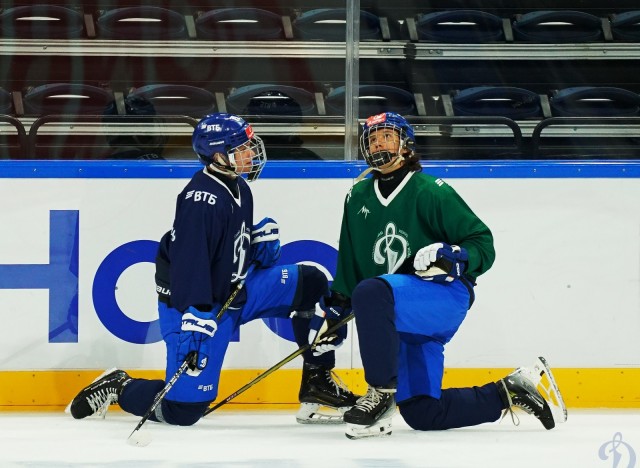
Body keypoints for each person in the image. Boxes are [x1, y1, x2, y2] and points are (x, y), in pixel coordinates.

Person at [67, 112, 358, 426]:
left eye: (249, 145)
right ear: (220, 155)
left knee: (311, 282)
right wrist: (196, 313)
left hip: (236, 293)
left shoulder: (239, 188)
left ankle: (317, 383)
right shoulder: (200, 201)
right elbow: (189, 264)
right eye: (242, 147)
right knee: (184, 411)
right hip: (195, 309)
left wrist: (257, 244)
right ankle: (120, 386)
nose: (251, 152)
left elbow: (226, 252)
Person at [314, 111, 567, 439]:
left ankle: (379, 391)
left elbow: (482, 243)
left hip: (443, 296)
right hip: (396, 313)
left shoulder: (431, 191)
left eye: (386, 136)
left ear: (406, 144)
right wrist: (337, 306)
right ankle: (511, 390)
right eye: (372, 138)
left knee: (371, 292)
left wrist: (456, 256)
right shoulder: (356, 196)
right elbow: (349, 260)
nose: (378, 143)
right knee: (423, 412)